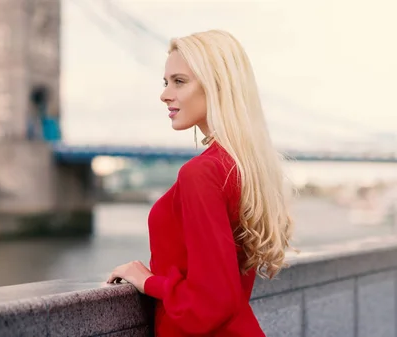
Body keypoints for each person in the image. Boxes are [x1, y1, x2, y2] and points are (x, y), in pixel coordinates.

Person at [106, 30, 294, 336]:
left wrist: (147, 280)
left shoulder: (202, 172)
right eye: (166, 82)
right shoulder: (242, 167)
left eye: (179, 81)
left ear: (218, 86)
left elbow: (212, 303)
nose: (165, 94)